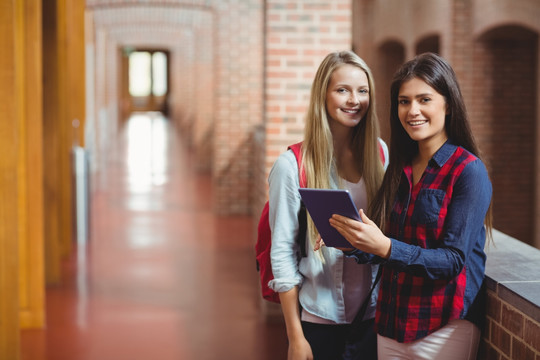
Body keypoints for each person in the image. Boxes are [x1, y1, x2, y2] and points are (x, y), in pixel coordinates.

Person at [323, 52, 493, 359]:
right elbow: (386, 242)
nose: (412, 110)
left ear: (448, 104)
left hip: (444, 325)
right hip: (391, 321)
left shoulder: (468, 171)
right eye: (404, 101)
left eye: (424, 99)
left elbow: (453, 260)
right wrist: (350, 243)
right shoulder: (399, 167)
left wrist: (385, 246)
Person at [268, 50, 388, 360]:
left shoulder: (380, 155)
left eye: (363, 91)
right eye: (342, 90)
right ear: (323, 94)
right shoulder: (292, 165)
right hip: (318, 320)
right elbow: (281, 253)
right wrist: (295, 338)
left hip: (373, 319)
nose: (354, 100)